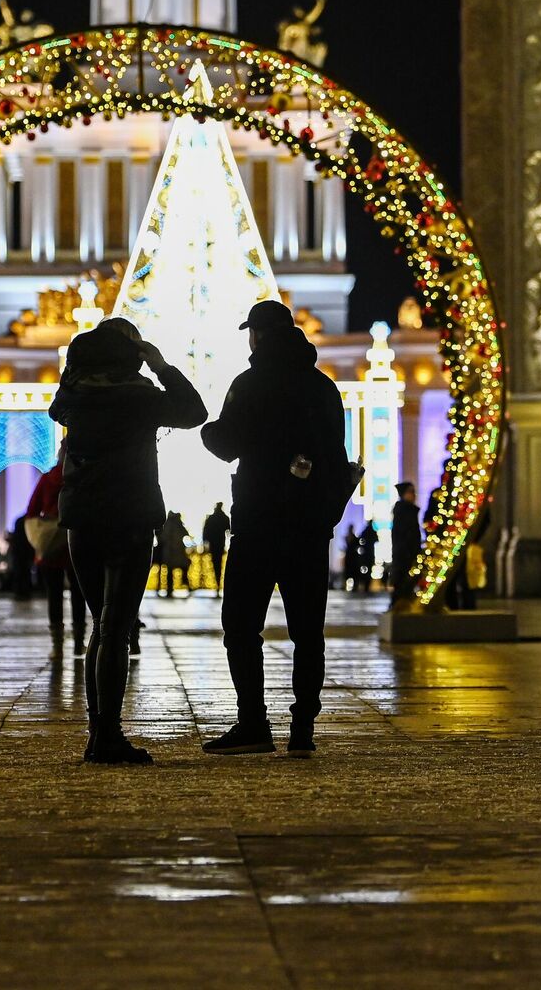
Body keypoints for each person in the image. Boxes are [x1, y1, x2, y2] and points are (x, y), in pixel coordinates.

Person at [49, 321, 205, 764]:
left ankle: (98, 733)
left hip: (81, 518)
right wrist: (160, 365)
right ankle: (108, 737)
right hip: (129, 515)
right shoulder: (141, 398)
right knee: (114, 629)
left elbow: (57, 406)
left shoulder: (74, 398)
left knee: (101, 627)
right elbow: (194, 412)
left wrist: (74, 368)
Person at [199, 300, 350, 759]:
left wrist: (208, 431)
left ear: (258, 336)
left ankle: (253, 723)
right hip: (308, 527)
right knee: (309, 631)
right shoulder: (323, 388)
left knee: (241, 626)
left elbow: (226, 444)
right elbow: (336, 456)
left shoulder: (251, 383)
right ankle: (302, 729)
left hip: (259, 523)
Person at [25, 458, 86, 659]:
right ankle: (79, 643)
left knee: (54, 595)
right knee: (80, 594)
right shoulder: (82, 477)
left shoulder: (48, 478)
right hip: (76, 542)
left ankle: (57, 646)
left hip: (51, 544)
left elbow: (32, 510)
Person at [389, 482, 423, 607]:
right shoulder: (404, 512)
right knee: (403, 581)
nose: (414, 495)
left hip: (408, 553)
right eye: (410, 492)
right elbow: (404, 536)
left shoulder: (409, 511)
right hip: (405, 555)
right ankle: (399, 605)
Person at [156, 511, 191, 598]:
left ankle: (170, 590)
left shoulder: (166, 525)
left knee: (170, 572)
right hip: (177, 552)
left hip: (170, 553)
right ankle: (185, 585)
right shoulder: (178, 525)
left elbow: (162, 538)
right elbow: (186, 534)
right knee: (182, 569)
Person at [202, 503, 230, 596]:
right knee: (219, 565)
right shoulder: (224, 517)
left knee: (215, 565)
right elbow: (229, 529)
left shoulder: (211, 518)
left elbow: (205, 532)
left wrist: (205, 543)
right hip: (220, 544)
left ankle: (217, 585)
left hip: (213, 545)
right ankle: (219, 585)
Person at [357, 521, 378, 593]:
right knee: (368, 570)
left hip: (366, 554)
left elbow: (361, 540)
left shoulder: (365, 531)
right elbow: (376, 540)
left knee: (366, 570)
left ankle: (365, 585)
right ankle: (366, 586)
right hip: (369, 554)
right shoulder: (371, 531)